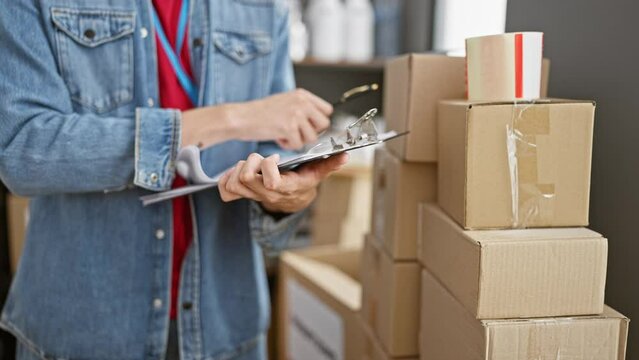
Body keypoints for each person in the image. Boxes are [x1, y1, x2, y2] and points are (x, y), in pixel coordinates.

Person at [0, 0, 347, 359]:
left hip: (225, 331)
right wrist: (233, 118)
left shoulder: (262, 8)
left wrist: (287, 195)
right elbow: (21, 148)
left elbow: (276, 150)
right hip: (84, 333)